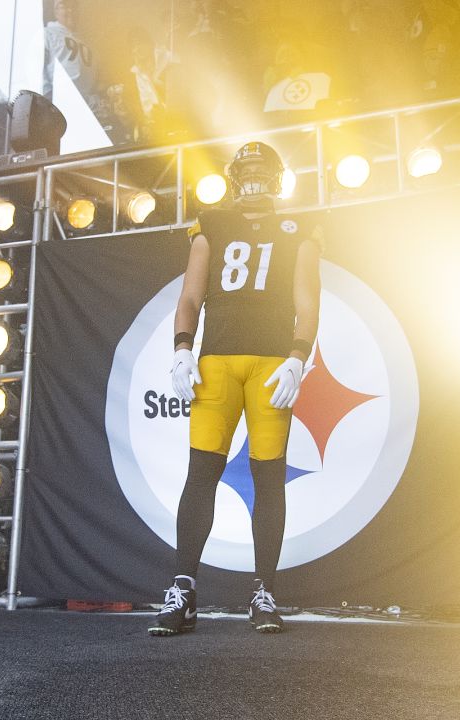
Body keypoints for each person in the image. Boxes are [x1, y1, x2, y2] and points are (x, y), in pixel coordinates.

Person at [148, 141, 321, 637]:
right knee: (201, 472)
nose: (252, 180)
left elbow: (307, 303)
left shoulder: (300, 229)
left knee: (269, 477)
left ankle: (263, 589)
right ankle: (183, 590)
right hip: (217, 363)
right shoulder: (212, 224)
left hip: (270, 364)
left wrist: (297, 356)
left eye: (260, 171)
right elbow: (191, 295)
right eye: (245, 171)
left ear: (277, 178)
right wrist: (183, 347)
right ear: (232, 175)